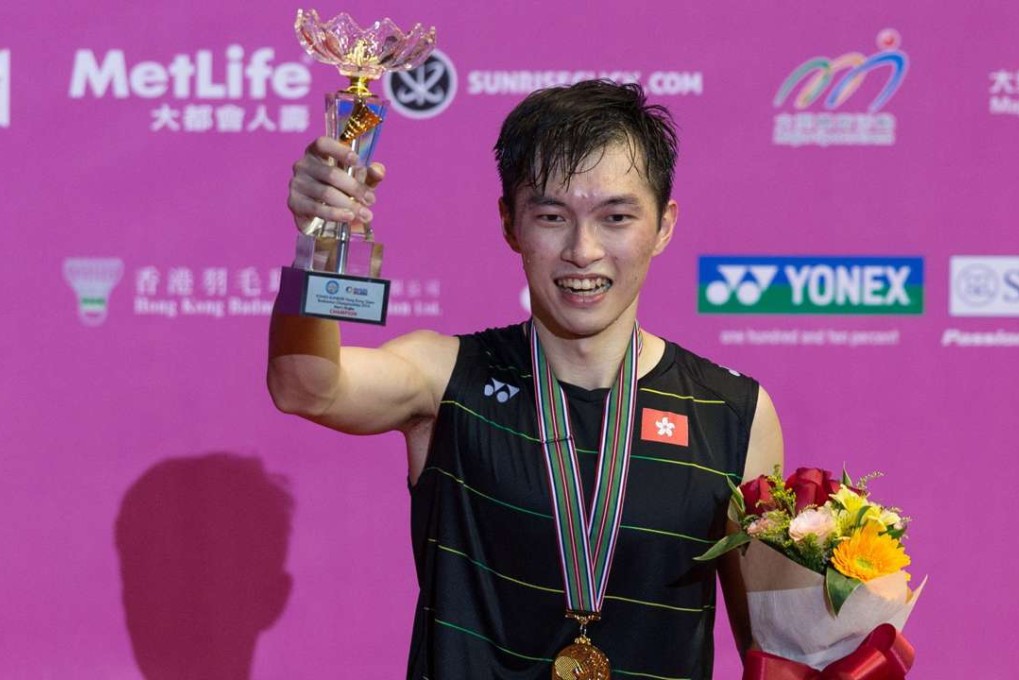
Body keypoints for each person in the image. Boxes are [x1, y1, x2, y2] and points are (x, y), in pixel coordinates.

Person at [269, 80, 783, 679]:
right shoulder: (446, 378)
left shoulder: (733, 411)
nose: (582, 250)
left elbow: (771, 650)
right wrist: (318, 238)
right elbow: (306, 385)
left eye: (616, 217)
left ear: (664, 225)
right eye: (551, 216)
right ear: (510, 224)